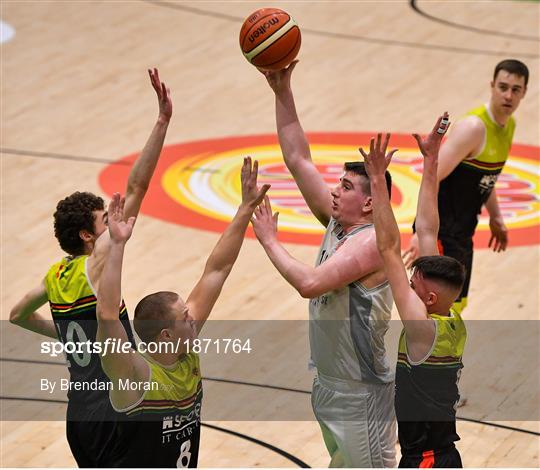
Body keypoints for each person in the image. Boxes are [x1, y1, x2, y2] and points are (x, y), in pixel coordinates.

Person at [9, 68, 172, 467]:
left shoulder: (55, 276)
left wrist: (69, 338)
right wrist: (162, 122)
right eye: (104, 222)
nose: (112, 225)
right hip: (114, 412)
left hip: (79, 417)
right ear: (87, 237)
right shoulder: (96, 265)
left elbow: (16, 315)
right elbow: (137, 188)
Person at [254, 62, 396, 467]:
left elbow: (310, 284)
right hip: (332, 384)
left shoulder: (370, 244)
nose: (335, 191)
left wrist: (269, 241)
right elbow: (298, 158)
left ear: (369, 203)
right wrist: (282, 90)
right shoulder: (339, 223)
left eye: (346, 187)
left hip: (360, 390)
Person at [94, 158, 269, 467]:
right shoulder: (133, 375)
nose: (195, 319)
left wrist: (244, 209)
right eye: (186, 318)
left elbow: (217, 270)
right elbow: (107, 315)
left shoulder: (184, 350)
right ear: (166, 334)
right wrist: (118, 245)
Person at [363, 115, 467, 467]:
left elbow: (389, 249)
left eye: (413, 283)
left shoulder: (422, 331)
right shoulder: (451, 318)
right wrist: (431, 158)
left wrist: (377, 181)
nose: (408, 282)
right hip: (445, 456)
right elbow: (426, 227)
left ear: (429, 299)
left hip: (425, 461)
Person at [404, 60, 529, 312]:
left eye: (516, 90)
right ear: (492, 86)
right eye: (503, 87)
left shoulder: (508, 125)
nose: (508, 95)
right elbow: (431, 177)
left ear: (524, 93)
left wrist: (496, 216)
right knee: (434, 311)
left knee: (456, 307)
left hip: (463, 234)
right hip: (443, 234)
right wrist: (420, 232)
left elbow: (486, 175)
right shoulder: (474, 128)